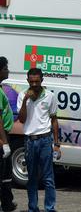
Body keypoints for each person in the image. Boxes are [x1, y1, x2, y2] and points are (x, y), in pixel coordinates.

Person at [17, 68, 60, 212]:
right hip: (30, 141)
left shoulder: (50, 96)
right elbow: (22, 120)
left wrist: (57, 144)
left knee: (48, 178)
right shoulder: (23, 95)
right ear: (27, 81)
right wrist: (25, 100)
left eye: (37, 81)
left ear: (42, 80)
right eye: (31, 81)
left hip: (45, 140)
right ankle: (33, 208)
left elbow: (54, 120)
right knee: (32, 178)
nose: (34, 84)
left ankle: (50, 208)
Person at [0, 58, 15, 212]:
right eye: (5, 68)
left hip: (4, 135)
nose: (8, 70)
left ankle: (7, 203)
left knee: (6, 174)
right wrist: (4, 143)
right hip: (1, 138)